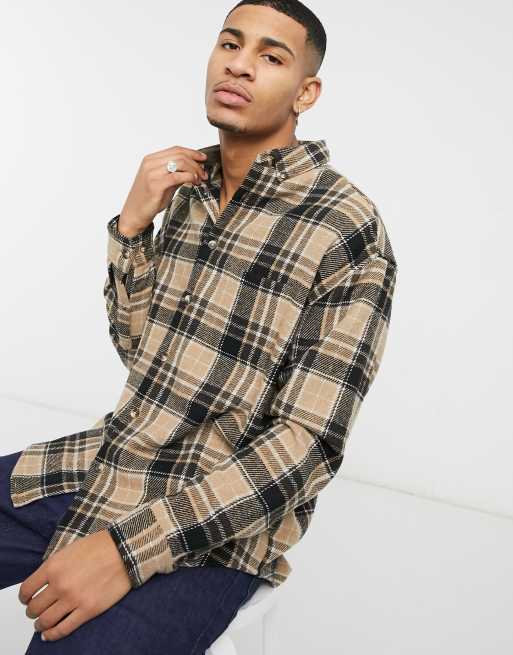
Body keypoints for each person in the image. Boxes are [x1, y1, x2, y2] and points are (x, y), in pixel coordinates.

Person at [1, 0, 398, 652]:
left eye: (271, 56)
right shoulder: (188, 189)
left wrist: (127, 549)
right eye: (229, 44)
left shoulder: (345, 228)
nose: (239, 65)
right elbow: (145, 357)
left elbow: (305, 447)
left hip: (217, 526)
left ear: (306, 93)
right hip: (112, 458)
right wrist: (132, 227)